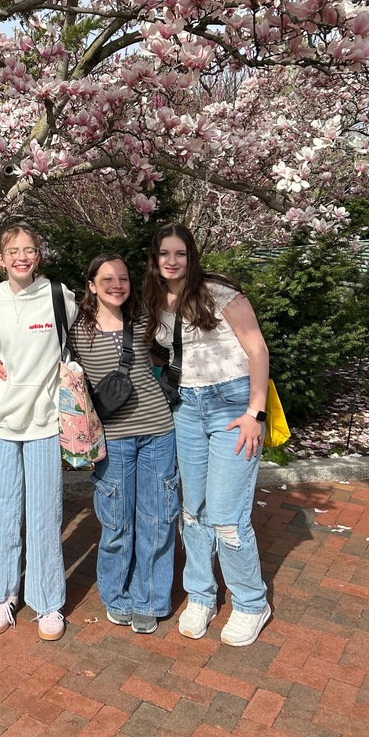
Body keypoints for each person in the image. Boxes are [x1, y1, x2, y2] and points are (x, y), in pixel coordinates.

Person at [142, 222, 271, 647]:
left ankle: (251, 602)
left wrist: (256, 411)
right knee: (193, 510)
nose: (172, 261)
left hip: (233, 406)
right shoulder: (156, 299)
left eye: (179, 253)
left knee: (227, 516)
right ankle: (201, 594)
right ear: (155, 259)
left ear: (190, 255)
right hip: (188, 409)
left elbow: (256, 348)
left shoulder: (217, 291)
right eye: (164, 253)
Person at [67, 253, 178, 635]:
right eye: (107, 278)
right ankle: (116, 596)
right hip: (112, 437)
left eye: (123, 278)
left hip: (158, 431)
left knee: (158, 518)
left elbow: (175, 345)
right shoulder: (77, 329)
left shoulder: (144, 319)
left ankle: (150, 597)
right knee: (116, 521)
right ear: (91, 284)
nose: (117, 285)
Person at [0, 224, 77, 641]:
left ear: (39, 255)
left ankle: (48, 600)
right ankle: (1, 594)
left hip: (45, 420)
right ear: (0, 260)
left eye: (29, 250)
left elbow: (73, 343)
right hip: (3, 419)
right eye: (12, 251)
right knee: (1, 508)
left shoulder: (59, 296)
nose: (21, 257)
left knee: (44, 511)